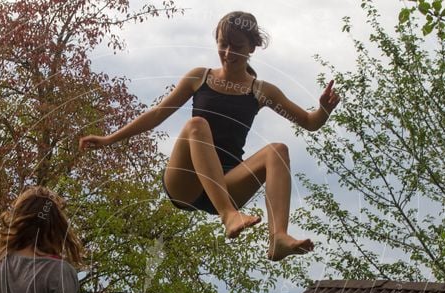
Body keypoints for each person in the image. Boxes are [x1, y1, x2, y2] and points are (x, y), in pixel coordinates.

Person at [79, 11, 340, 260]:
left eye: (237, 46)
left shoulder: (262, 91)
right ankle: (229, 216)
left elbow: (309, 122)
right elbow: (158, 114)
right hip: (186, 183)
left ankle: (278, 238)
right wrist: (109, 139)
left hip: (227, 184)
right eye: (223, 44)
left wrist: (324, 110)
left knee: (279, 150)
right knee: (197, 125)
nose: (228, 53)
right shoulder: (199, 77)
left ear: (252, 48)